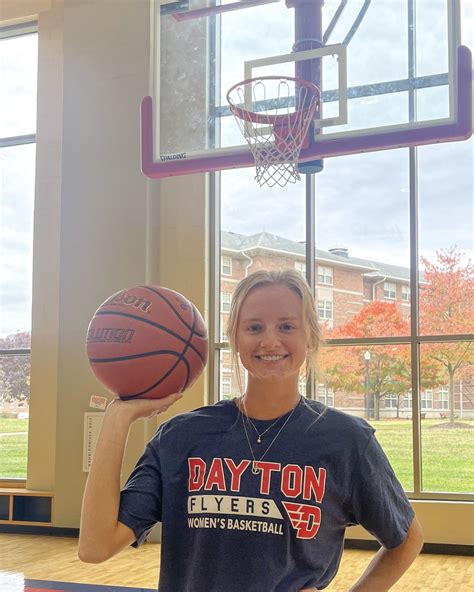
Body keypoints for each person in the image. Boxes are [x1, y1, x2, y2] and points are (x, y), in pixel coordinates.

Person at [79, 269, 423, 591]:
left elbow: (407, 539)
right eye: (254, 328)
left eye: (287, 327)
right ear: (235, 340)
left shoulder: (346, 440)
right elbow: (95, 546)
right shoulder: (182, 437)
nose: (270, 341)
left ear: (311, 338)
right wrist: (117, 419)